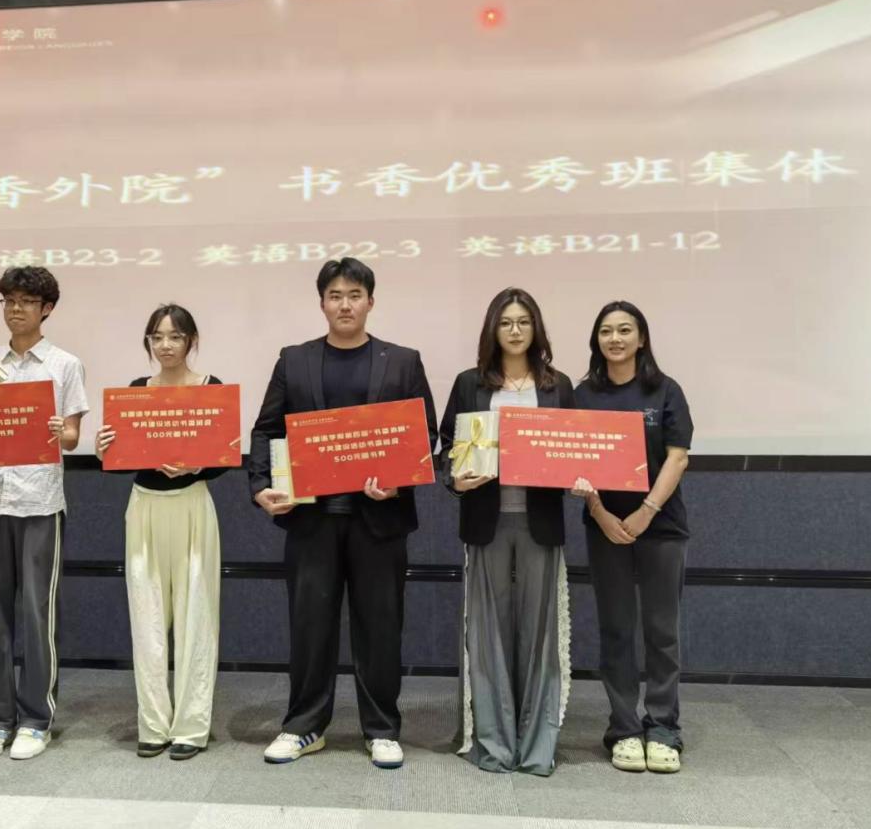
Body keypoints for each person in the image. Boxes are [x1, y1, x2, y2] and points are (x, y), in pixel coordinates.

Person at [248, 257, 437, 770]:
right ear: (322, 303)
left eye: (355, 295)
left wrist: (399, 480)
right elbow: (267, 430)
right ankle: (304, 726)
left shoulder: (402, 361)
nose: (345, 304)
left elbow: (424, 434)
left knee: (380, 627)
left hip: (379, 520)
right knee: (311, 627)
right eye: (335, 295)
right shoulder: (294, 360)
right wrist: (261, 486)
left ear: (371, 301)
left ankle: (382, 729)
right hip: (312, 519)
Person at [437, 287, 574, 777]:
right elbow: (446, 447)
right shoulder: (469, 383)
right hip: (486, 520)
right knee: (488, 632)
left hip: (540, 521)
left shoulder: (558, 385)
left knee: (539, 636)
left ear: (536, 328)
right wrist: (455, 479)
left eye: (523, 322)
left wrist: (579, 475)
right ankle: (494, 743)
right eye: (506, 322)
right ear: (492, 329)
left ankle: (537, 745)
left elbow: (575, 446)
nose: (515, 331)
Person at [94, 304, 226, 761]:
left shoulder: (211, 388)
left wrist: (196, 466)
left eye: (175, 336)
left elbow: (224, 457)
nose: (165, 345)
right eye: (157, 337)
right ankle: (153, 723)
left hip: (192, 505)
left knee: (197, 617)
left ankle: (191, 726)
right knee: (146, 617)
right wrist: (105, 450)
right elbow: (122, 462)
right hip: (145, 507)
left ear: (192, 340)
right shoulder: (136, 391)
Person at [0, 266, 89, 761]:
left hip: (39, 501)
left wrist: (61, 429)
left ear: (47, 308)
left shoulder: (65, 364)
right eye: (9, 301)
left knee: (38, 612)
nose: (15, 309)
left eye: (26, 301)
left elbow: (73, 438)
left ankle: (36, 720)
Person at [571, 300, 692, 775]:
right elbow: (576, 462)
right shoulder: (583, 395)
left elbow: (678, 457)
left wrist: (646, 512)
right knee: (617, 629)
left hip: (661, 526)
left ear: (641, 339)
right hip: (604, 527)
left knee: (662, 631)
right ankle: (623, 727)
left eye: (625, 330)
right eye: (606, 331)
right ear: (596, 339)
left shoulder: (665, 390)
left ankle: (662, 727)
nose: (615, 339)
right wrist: (600, 513)